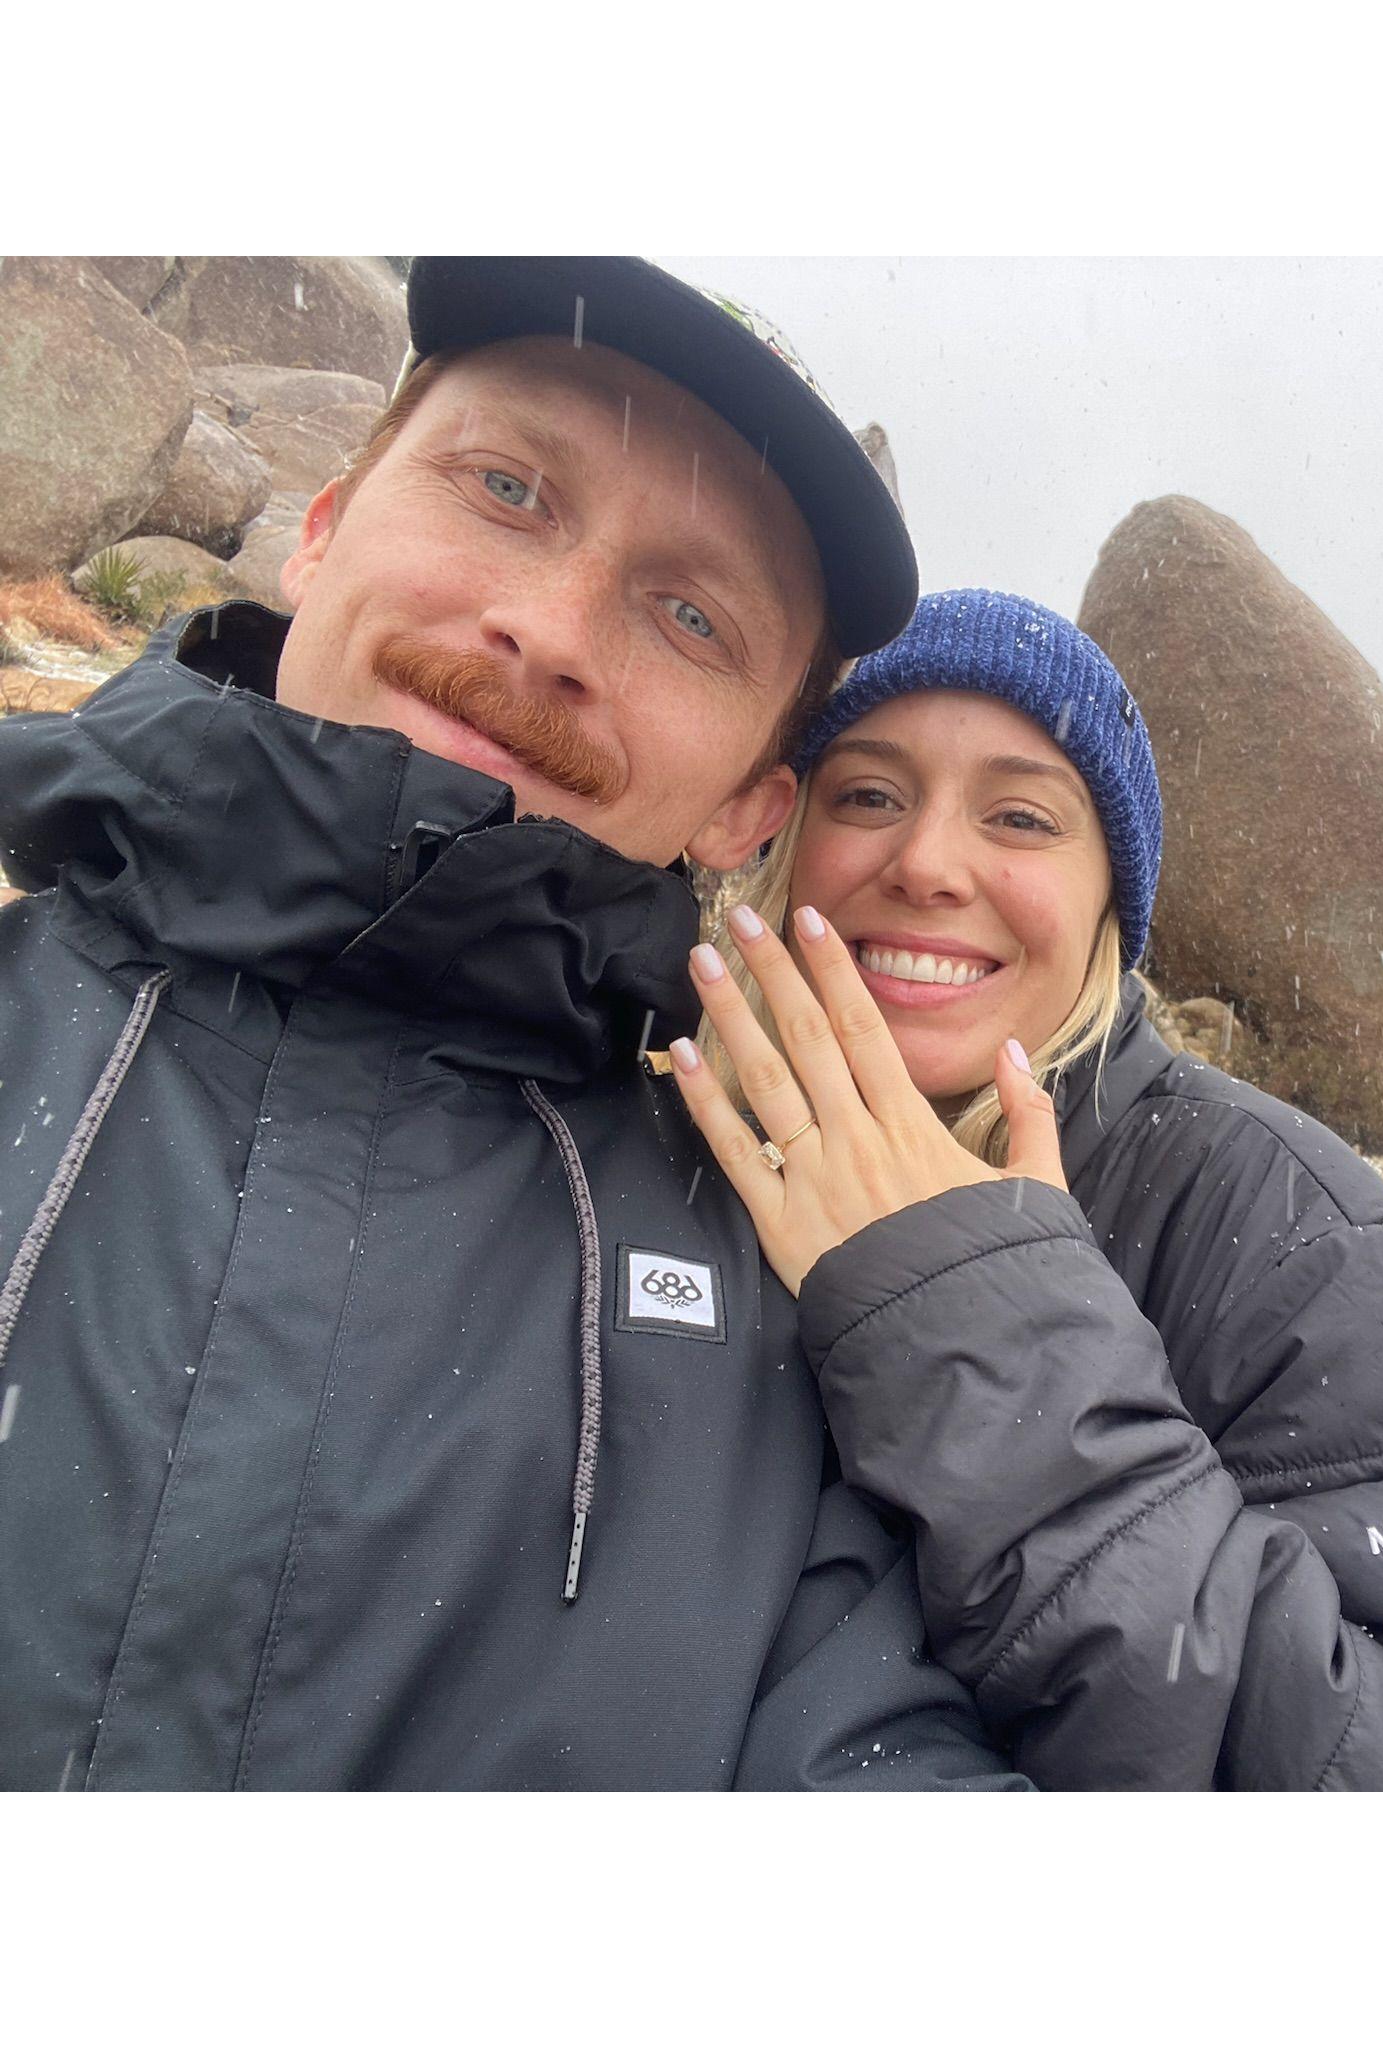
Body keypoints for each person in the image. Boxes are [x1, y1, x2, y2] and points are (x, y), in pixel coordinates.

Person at [0, 258, 1026, 1790]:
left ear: (750, 805)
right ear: (326, 524)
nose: (548, 630)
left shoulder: (786, 1341)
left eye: (689, 615)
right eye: (507, 489)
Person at [670, 586, 1383, 1789]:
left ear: (1112, 898)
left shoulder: (1296, 1237)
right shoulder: (660, 1133)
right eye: (870, 795)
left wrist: (998, 1351)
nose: (927, 862)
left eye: (1021, 817)